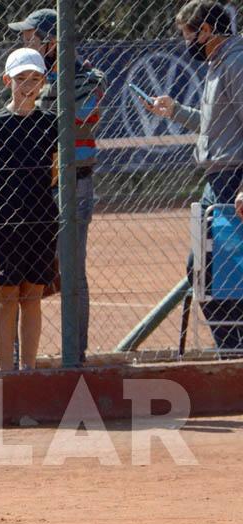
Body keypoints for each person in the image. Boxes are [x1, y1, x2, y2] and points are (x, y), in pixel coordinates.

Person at [144, 0, 243, 353]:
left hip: (234, 180)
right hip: (216, 181)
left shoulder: (236, 63)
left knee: (213, 272)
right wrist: (175, 111)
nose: (186, 44)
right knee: (206, 272)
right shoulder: (218, 64)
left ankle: (233, 349)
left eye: (188, 35)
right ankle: (232, 348)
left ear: (206, 30)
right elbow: (213, 128)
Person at [9, 8, 106, 364]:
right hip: (34, 184)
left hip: (74, 184)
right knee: (23, 270)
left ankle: (74, 357)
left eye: (30, 36)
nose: (24, 42)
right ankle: (21, 359)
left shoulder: (89, 77)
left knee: (71, 273)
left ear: (51, 41)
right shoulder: (31, 76)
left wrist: (42, 87)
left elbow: (72, 116)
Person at [0, 48, 59, 371]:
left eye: (35, 79)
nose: (27, 85)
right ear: (6, 80)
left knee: (33, 298)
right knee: (7, 299)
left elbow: (53, 172)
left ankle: (28, 369)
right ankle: (7, 373)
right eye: (21, 78)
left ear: (43, 83)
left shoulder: (50, 124)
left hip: (40, 223)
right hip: (3, 227)